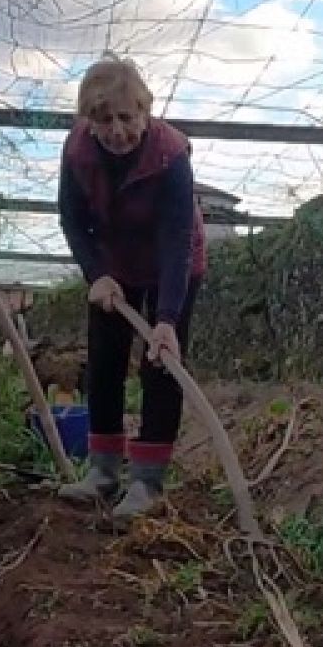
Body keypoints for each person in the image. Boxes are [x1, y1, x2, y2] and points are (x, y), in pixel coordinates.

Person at [54, 54, 207, 521]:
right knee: (105, 361)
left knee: (161, 364)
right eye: (104, 120)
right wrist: (96, 274)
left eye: (126, 117)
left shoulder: (170, 155)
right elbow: (72, 220)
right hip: (113, 264)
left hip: (171, 263)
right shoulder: (77, 152)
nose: (117, 131)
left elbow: (176, 238)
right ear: (88, 120)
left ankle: (147, 484)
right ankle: (102, 473)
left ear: (145, 111)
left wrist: (166, 320)